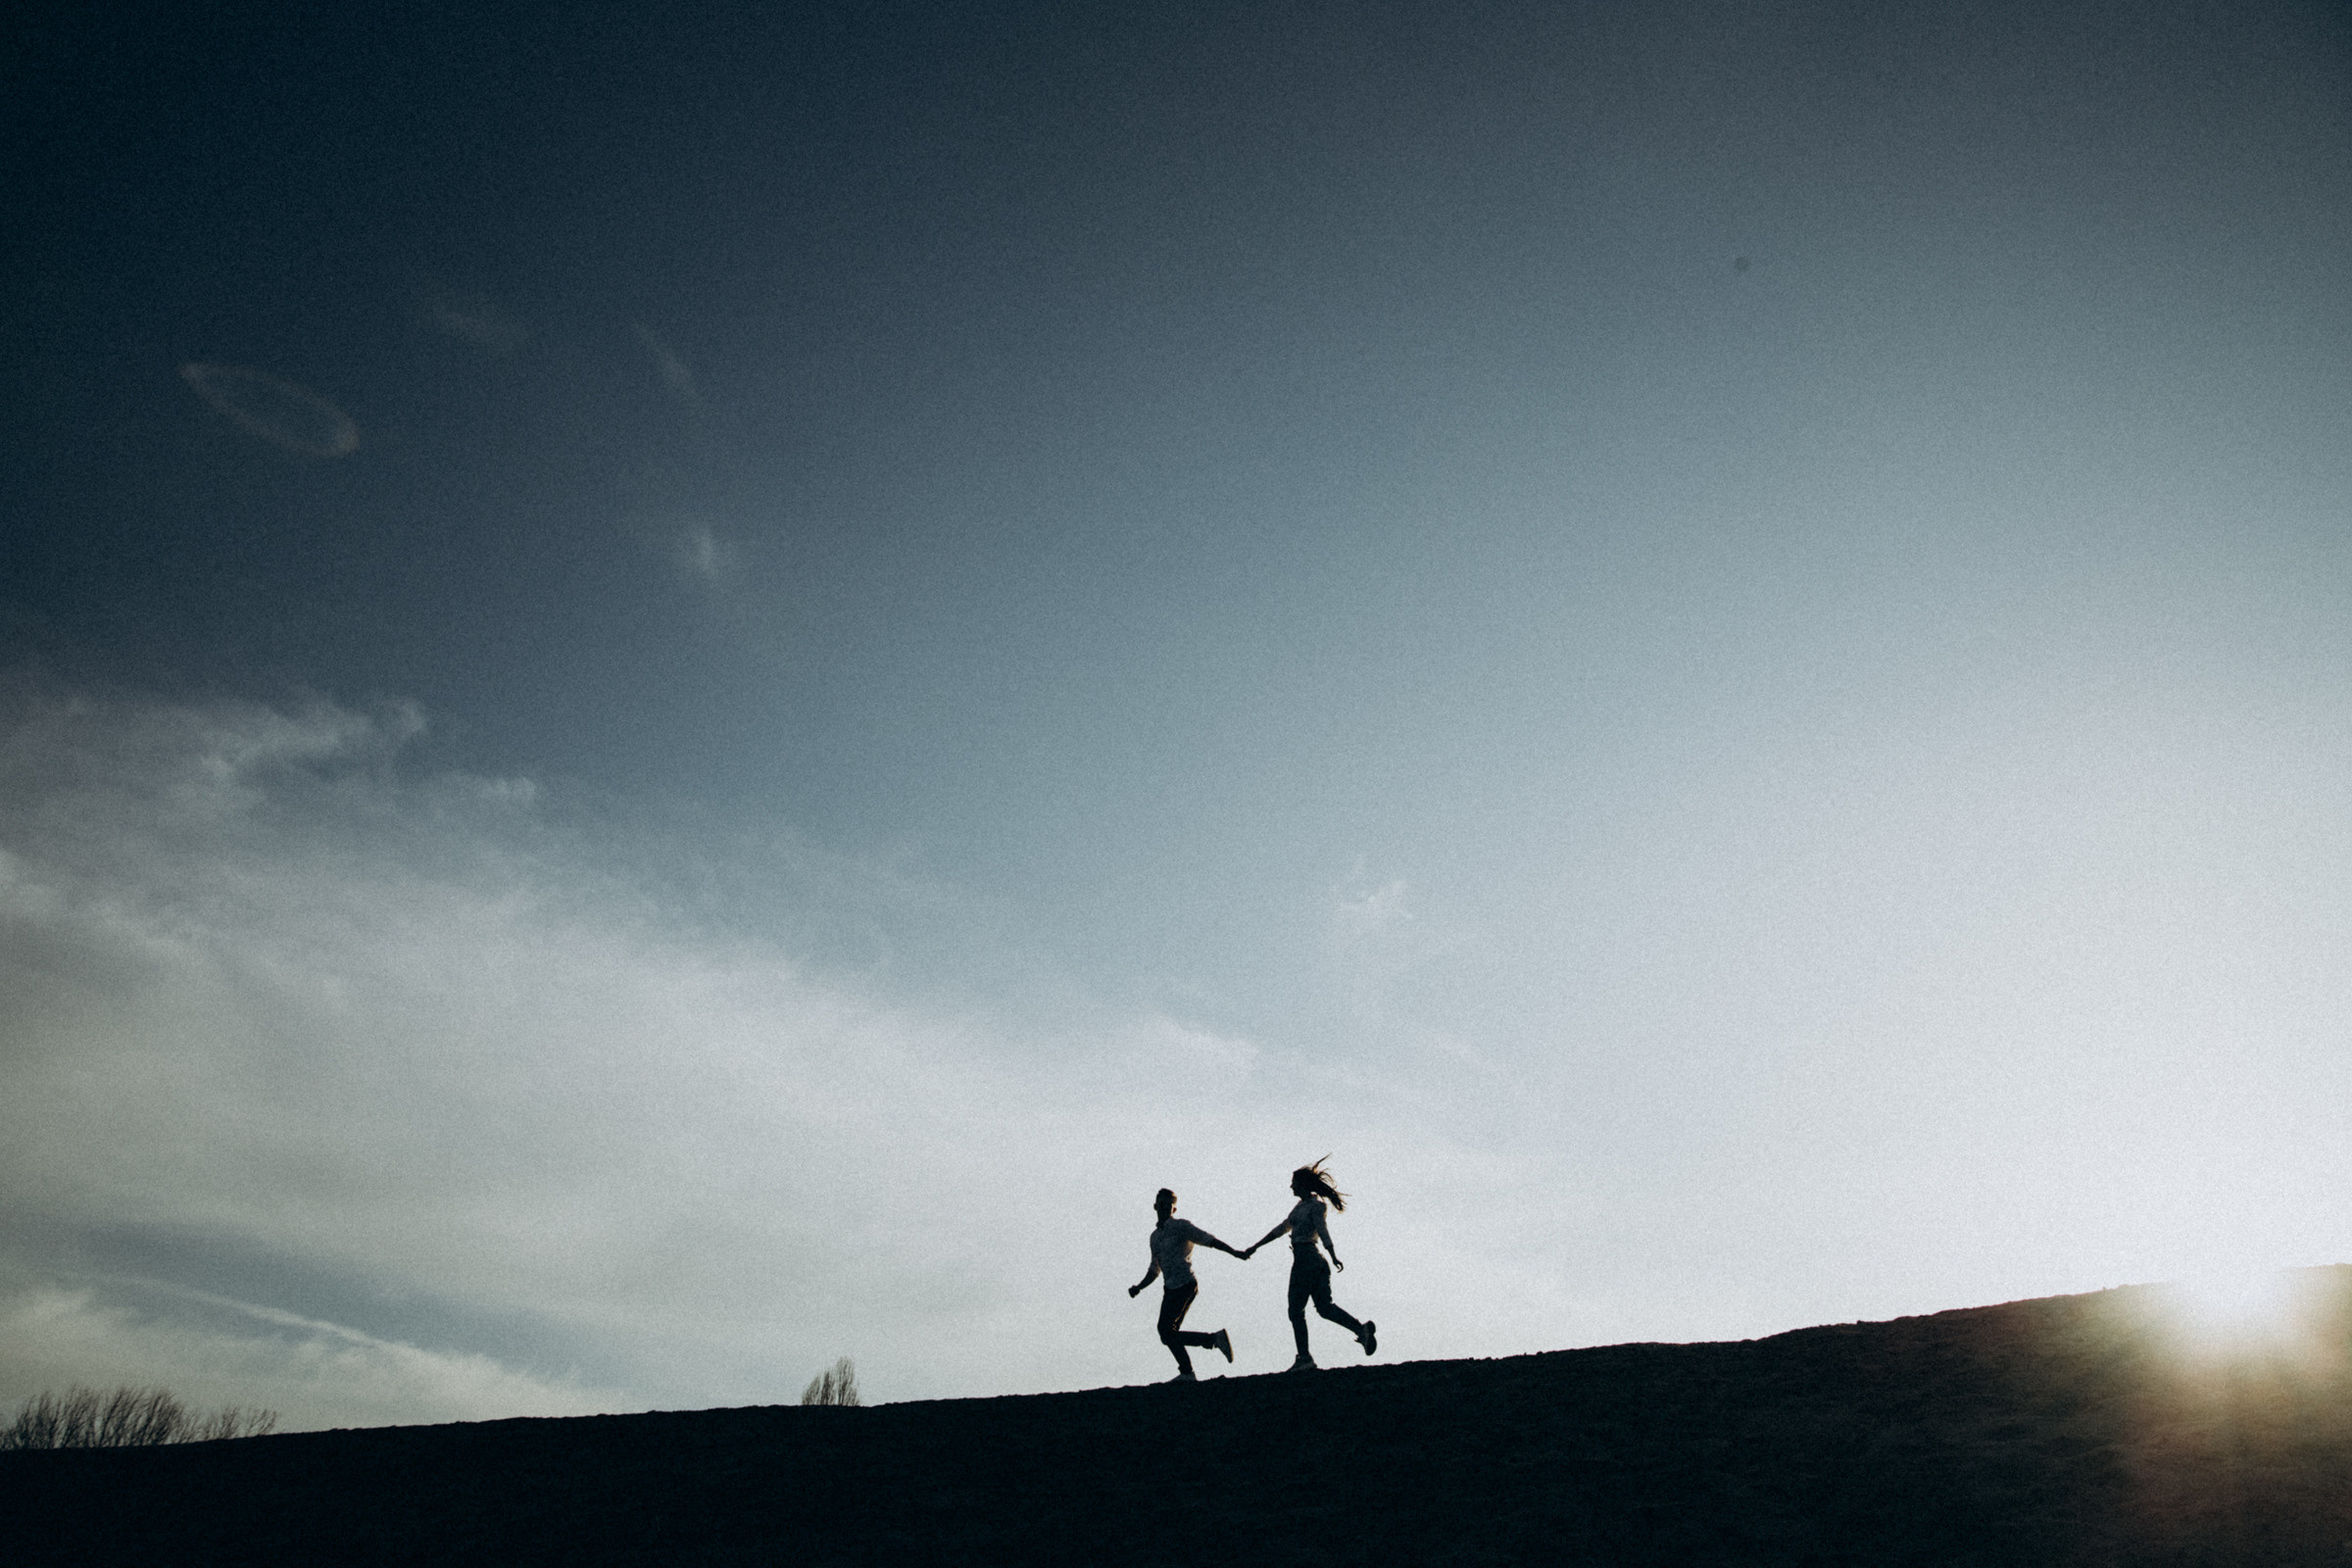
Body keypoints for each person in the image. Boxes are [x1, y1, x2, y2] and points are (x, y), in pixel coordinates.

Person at [1243, 1159, 1376, 1371]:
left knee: (1296, 1311)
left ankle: (1304, 1358)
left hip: (1307, 1260)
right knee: (1324, 1308)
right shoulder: (1299, 1208)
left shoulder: (1315, 1207)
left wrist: (1333, 1254)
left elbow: (1322, 1230)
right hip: (1316, 1261)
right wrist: (1256, 1245)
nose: (1291, 1186)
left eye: (1293, 1182)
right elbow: (1281, 1229)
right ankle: (1360, 1330)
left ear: (1302, 1184)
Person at [1128, 1188, 1243, 1382]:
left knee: (1166, 1331)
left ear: (1174, 1209)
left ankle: (1202, 1353)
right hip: (1169, 1288)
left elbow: (1209, 1240)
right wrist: (1139, 1287)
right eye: (1160, 1204)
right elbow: (1155, 1269)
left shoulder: (1181, 1226)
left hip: (1185, 1284)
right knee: (1168, 1334)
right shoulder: (1154, 1237)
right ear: (1155, 1206)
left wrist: (1235, 1252)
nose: (1163, 1208)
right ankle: (1197, 1361)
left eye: (1168, 1205)